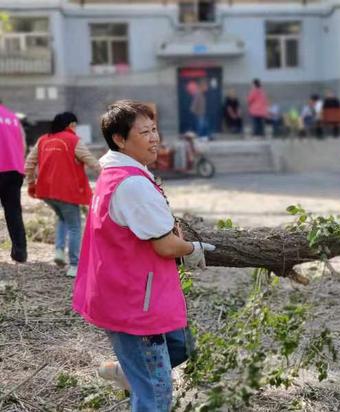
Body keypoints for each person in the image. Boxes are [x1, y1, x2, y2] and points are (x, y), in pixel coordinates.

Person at [72, 100, 215, 411]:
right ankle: (134, 375)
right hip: (135, 302)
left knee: (181, 345)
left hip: (140, 291)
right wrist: (194, 250)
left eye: (154, 130)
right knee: (155, 393)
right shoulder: (131, 183)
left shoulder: (117, 173)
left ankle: (126, 372)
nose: (155, 138)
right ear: (120, 139)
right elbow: (165, 246)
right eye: (145, 132)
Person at [25, 112, 100, 277]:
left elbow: (29, 164)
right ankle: (74, 264)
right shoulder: (74, 141)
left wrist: (31, 183)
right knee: (74, 226)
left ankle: (59, 250)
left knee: (62, 218)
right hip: (67, 192)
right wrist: (108, 174)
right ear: (70, 125)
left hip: (46, 191)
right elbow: (90, 161)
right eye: (75, 125)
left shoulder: (43, 140)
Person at [0, 101, 27, 263]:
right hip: (14, 169)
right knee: (13, 211)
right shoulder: (13, 118)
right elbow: (22, 145)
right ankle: (20, 251)